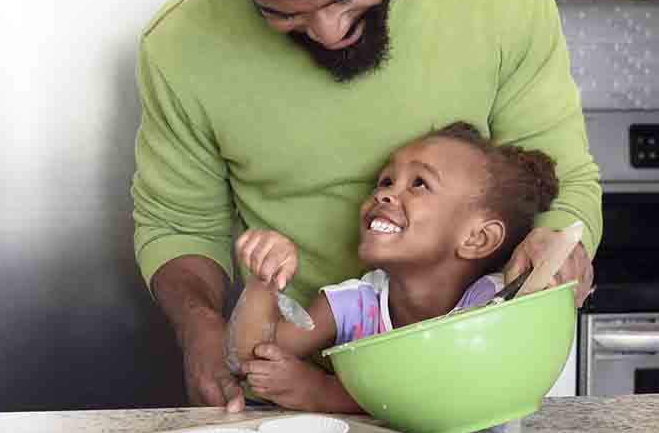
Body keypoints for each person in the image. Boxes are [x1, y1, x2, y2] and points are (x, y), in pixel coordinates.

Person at [132, 0, 602, 413]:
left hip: (466, 392)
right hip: (287, 397)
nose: (329, 32)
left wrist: (558, 247)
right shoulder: (180, 46)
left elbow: (560, 181)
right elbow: (178, 227)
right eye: (284, 12)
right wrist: (197, 324)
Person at [224, 122, 559, 412]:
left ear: (478, 239)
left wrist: (320, 392)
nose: (384, 195)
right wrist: (266, 277)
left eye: (419, 184)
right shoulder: (355, 304)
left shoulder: (495, 307)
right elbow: (252, 357)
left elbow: (441, 394)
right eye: (386, 181)